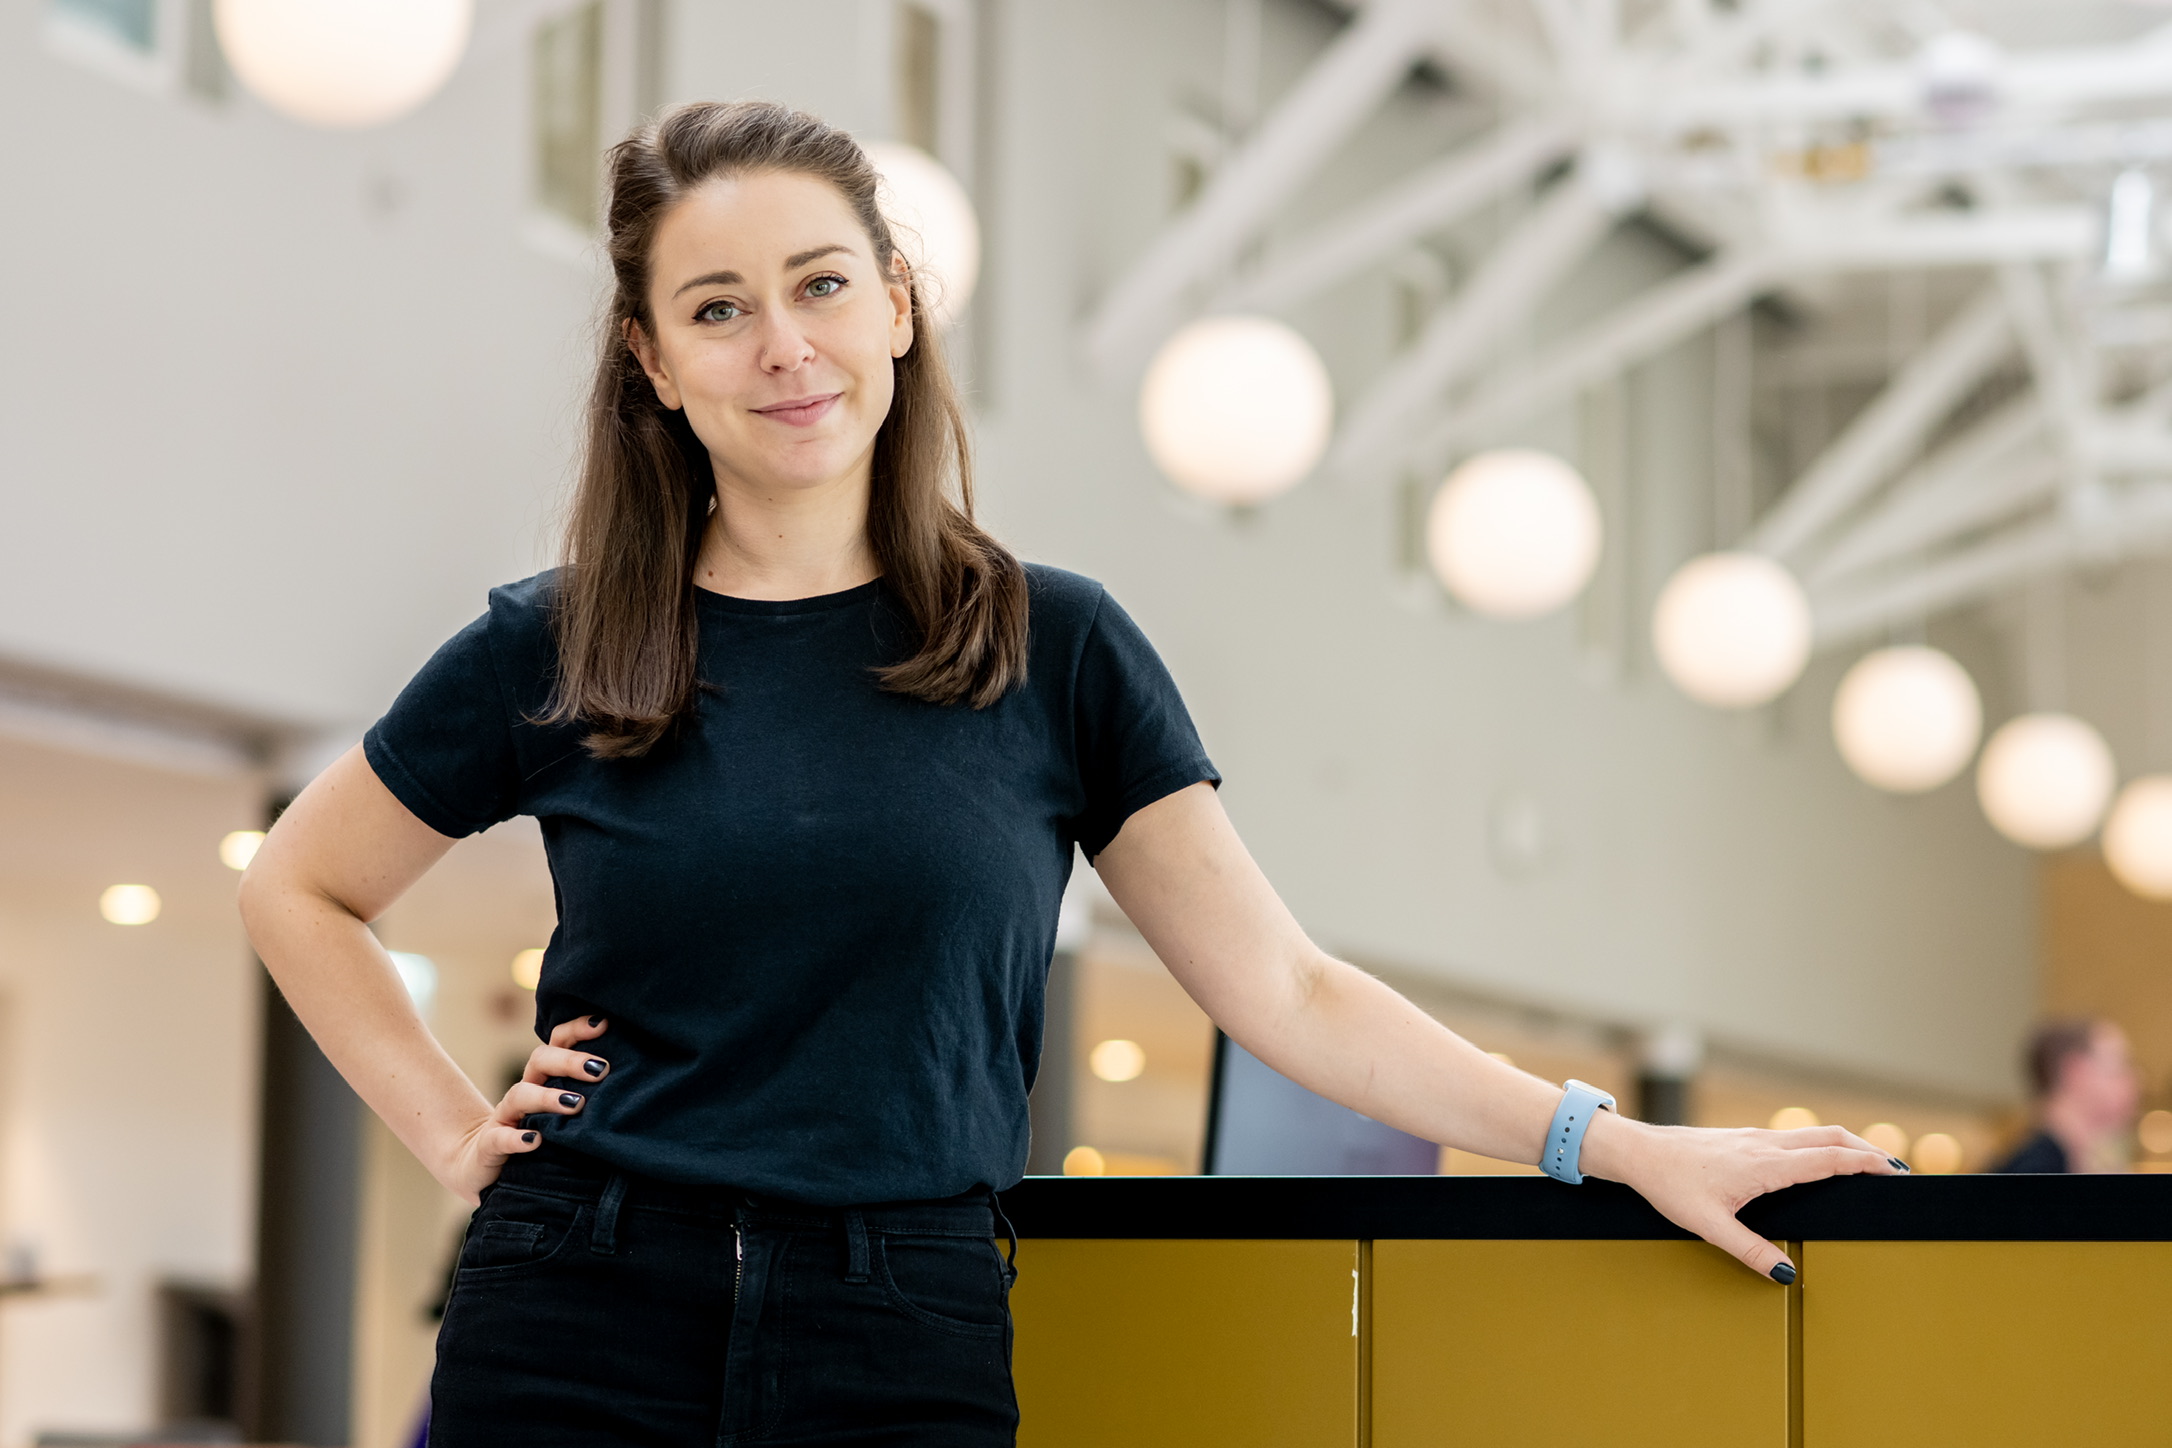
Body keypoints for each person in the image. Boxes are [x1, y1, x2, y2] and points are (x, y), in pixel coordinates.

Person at [237, 100, 1905, 1447]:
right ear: (653, 362)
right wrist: (456, 1136)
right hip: (580, 1311)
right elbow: (298, 882)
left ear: (895, 303)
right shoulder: (562, 643)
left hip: (900, 1323)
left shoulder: (1053, 646)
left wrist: (1609, 1145)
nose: (783, 345)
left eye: (821, 284)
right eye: (718, 308)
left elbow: (1292, 992)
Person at [1991, 1017, 2140, 1174]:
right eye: (2122, 1067)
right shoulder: (2034, 1170)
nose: (2137, 1080)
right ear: (2076, 1071)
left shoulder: (2061, 1162)